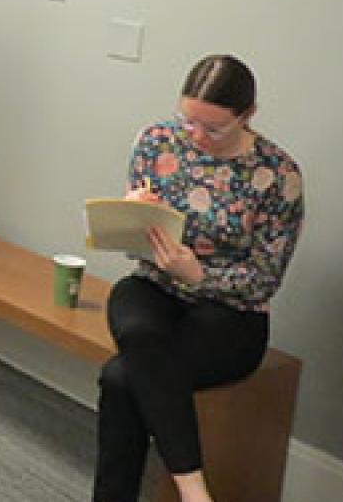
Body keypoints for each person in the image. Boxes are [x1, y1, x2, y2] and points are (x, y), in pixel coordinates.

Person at [94, 54, 304, 502]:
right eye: (188, 121)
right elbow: (134, 246)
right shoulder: (155, 143)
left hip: (231, 316)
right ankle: (196, 493)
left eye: (213, 128)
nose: (196, 137)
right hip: (154, 288)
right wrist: (134, 213)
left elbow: (264, 279)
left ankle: (187, 491)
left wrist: (201, 275)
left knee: (121, 379)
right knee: (136, 326)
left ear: (247, 116)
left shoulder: (278, 176)